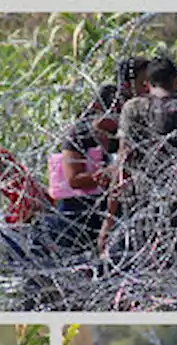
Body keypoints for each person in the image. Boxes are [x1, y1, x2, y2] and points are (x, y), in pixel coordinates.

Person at [99, 56, 177, 256]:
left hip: (142, 203)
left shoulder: (134, 108)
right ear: (176, 80)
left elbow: (123, 162)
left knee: (145, 265)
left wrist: (109, 218)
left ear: (147, 83)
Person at [50, 84, 118, 250]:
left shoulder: (116, 136)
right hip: (75, 211)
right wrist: (107, 174)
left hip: (100, 208)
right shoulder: (79, 135)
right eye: (114, 112)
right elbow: (73, 179)